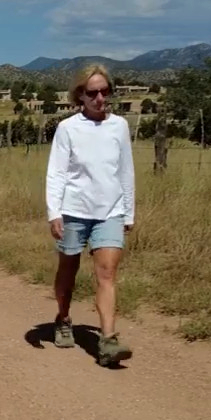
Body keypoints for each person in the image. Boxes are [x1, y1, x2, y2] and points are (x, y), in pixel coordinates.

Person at [45, 65, 135, 367]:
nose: (99, 98)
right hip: (74, 210)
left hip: (110, 211)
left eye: (104, 91)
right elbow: (56, 173)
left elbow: (125, 171)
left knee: (107, 274)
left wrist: (128, 212)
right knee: (67, 271)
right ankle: (63, 318)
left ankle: (108, 340)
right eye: (92, 92)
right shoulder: (68, 128)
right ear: (80, 95)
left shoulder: (119, 126)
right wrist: (54, 212)